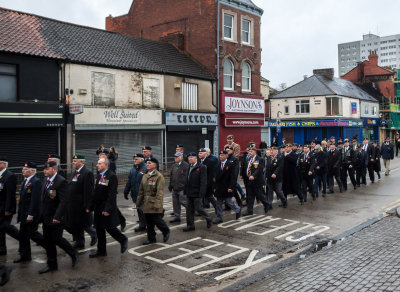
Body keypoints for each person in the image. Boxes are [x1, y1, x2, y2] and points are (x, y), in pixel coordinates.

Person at [39, 161, 78, 274]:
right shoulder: (46, 180)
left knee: (57, 239)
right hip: (46, 216)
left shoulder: (61, 181)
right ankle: (52, 265)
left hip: (56, 217)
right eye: (44, 169)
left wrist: (57, 216)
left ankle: (73, 253)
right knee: (48, 241)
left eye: (47, 169)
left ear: (54, 169)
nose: (44, 170)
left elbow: (63, 201)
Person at [89, 158, 128, 258]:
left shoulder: (111, 176)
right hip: (98, 207)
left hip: (106, 207)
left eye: (99, 163)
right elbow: (95, 193)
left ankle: (122, 239)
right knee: (99, 229)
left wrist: (107, 209)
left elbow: (112, 195)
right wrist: (90, 207)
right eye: (97, 163)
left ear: (106, 165)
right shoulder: (99, 176)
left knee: (110, 228)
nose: (97, 165)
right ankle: (101, 251)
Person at [14, 162, 45, 263]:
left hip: (31, 214)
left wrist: (30, 215)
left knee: (33, 234)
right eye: (23, 168)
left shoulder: (36, 182)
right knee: (23, 236)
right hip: (23, 213)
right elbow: (22, 200)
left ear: (32, 171)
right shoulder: (25, 181)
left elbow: (35, 201)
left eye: (25, 169)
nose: (23, 170)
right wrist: (19, 212)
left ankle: (49, 246)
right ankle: (25, 255)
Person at [137, 158, 170, 245]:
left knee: (157, 220)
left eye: (149, 163)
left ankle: (165, 230)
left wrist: (157, 204)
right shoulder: (145, 175)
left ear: (155, 165)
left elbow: (160, 192)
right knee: (149, 222)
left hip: (154, 202)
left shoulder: (159, 176)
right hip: (146, 202)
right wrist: (138, 203)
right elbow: (141, 191)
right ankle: (151, 238)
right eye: (147, 163)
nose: (147, 164)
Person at [67, 154, 97, 249]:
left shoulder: (87, 173)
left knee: (85, 224)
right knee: (76, 224)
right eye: (73, 161)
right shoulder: (75, 172)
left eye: (75, 161)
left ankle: (94, 234)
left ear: (81, 162)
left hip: (81, 205)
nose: (73, 162)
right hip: (73, 204)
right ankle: (80, 242)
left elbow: (88, 191)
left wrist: (88, 206)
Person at [183, 152, 212, 231]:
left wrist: (202, 193)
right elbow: (186, 179)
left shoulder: (201, 167)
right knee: (189, 210)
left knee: (199, 208)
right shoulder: (188, 167)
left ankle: (208, 218)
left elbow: (203, 181)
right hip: (189, 192)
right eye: (189, 157)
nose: (190, 159)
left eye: (192, 157)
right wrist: (185, 191)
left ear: (196, 158)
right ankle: (190, 225)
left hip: (197, 192)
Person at [98, 150, 126, 232]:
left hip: (109, 188)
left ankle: (121, 220)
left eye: (102, 154)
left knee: (113, 207)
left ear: (106, 155)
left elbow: (111, 175)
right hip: (102, 189)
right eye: (100, 154)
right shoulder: (99, 164)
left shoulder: (111, 163)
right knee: (107, 207)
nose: (100, 156)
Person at [213, 151, 241, 223]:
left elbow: (233, 177)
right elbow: (216, 177)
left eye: (222, 155)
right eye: (220, 155)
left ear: (226, 156)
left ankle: (237, 209)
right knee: (218, 203)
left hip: (227, 187)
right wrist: (214, 187)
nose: (220, 157)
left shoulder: (230, 164)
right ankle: (219, 217)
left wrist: (231, 187)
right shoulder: (217, 165)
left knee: (229, 202)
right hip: (219, 187)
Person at [243, 147, 271, 215]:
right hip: (249, 180)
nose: (249, 153)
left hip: (257, 181)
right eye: (249, 152)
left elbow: (259, 169)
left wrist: (253, 175)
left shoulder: (259, 159)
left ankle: (266, 204)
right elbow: (247, 168)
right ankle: (250, 211)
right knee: (250, 196)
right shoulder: (249, 159)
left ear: (255, 152)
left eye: (251, 151)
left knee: (259, 195)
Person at [0, 156, 19, 256]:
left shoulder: (9, 176)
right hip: (0, 206)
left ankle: (22, 239)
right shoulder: (0, 175)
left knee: (5, 227)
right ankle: (2, 248)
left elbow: (10, 194)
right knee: (1, 228)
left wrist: (8, 209)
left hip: (5, 207)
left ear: (3, 164)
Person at [124, 153, 148, 231]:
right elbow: (129, 181)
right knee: (139, 210)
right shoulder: (133, 169)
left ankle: (147, 224)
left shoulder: (145, 168)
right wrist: (126, 191)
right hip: (135, 194)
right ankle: (142, 225)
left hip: (143, 195)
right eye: (134, 159)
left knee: (143, 210)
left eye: (136, 159)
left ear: (142, 159)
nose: (134, 160)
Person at [168, 152, 188, 223]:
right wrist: (170, 186)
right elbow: (171, 177)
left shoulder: (185, 165)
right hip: (174, 188)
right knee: (175, 203)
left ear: (181, 157)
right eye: (175, 157)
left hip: (182, 188)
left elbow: (188, 177)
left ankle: (192, 212)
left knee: (184, 202)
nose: (175, 158)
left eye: (177, 157)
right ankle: (177, 217)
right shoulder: (173, 166)